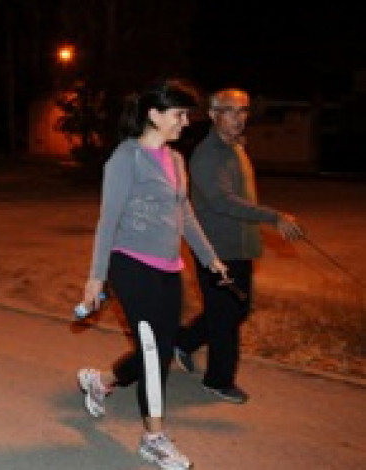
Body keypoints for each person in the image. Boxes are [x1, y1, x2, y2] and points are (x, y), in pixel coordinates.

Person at [75, 78, 227, 470]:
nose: (185, 122)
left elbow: (185, 214)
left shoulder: (175, 160)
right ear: (154, 115)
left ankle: (102, 381)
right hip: (131, 265)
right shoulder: (126, 158)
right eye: (178, 114)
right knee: (155, 352)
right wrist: (96, 277)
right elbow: (107, 219)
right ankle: (153, 438)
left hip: (168, 268)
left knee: (159, 347)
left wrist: (210, 259)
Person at [173, 88, 303, 404]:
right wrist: (273, 217)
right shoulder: (207, 155)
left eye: (243, 111)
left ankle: (184, 342)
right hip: (215, 251)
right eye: (230, 111)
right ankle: (218, 380)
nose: (239, 118)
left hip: (239, 248)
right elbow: (222, 201)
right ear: (215, 115)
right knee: (225, 317)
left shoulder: (235, 149)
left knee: (236, 310)